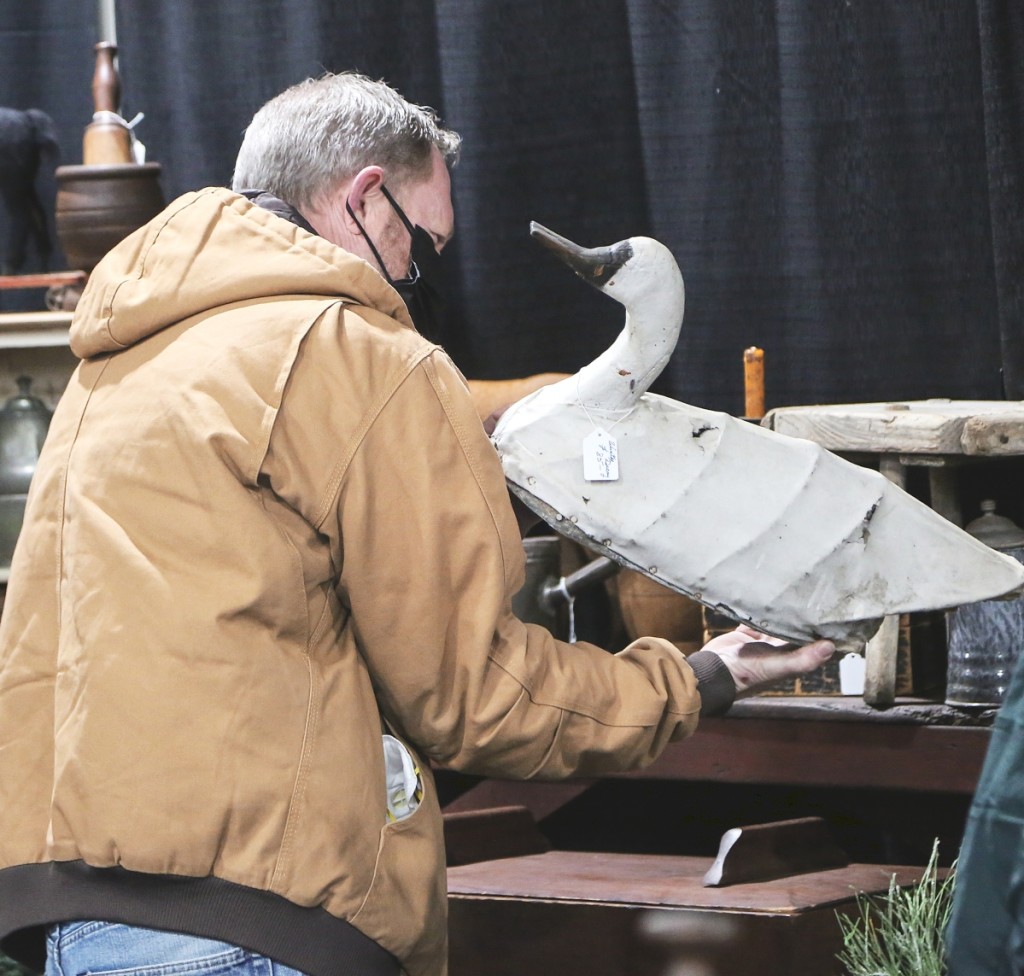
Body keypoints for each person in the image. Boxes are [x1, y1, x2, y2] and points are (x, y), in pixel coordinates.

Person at [0, 71, 834, 976]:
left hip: (78, 927)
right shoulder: (357, 353)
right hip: (259, 931)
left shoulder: (117, 359)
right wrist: (701, 676)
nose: (411, 277)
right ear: (364, 197)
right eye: (416, 247)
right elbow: (475, 700)